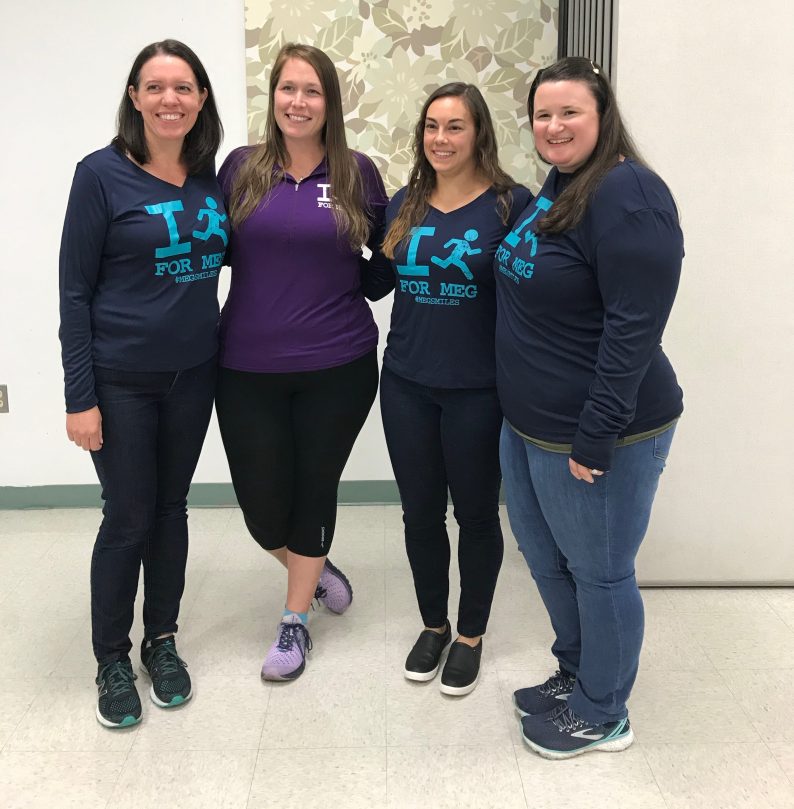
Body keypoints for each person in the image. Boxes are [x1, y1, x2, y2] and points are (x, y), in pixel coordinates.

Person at [495, 57, 684, 757]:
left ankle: (604, 711)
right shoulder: (560, 184)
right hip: (531, 424)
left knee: (600, 571)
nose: (554, 125)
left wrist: (595, 433)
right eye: (542, 114)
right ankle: (578, 671)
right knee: (546, 558)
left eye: (570, 111)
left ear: (602, 115)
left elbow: (635, 328)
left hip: (600, 429)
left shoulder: (630, 194)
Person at [58, 40, 227, 727]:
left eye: (183, 87)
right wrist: (80, 397)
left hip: (194, 374)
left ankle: (162, 639)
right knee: (128, 515)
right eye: (154, 87)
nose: (169, 99)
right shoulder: (99, 175)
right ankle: (110, 658)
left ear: (201, 99)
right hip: (120, 378)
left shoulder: (210, 178)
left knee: (170, 508)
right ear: (134, 97)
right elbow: (74, 292)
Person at [214, 43, 388, 681]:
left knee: (314, 489)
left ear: (329, 102)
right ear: (273, 97)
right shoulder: (241, 169)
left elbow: (386, 256)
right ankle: (312, 568)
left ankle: (294, 623)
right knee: (262, 508)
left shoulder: (356, 173)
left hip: (337, 364)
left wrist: (344, 287)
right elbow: (214, 247)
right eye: (288, 88)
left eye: (312, 90)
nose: (298, 101)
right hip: (245, 365)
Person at [375, 83, 531, 696]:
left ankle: (470, 635)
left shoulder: (511, 205)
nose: (440, 139)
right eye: (431, 127)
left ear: (478, 133)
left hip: (478, 390)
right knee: (419, 514)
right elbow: (374, 280)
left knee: (475, 515)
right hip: (406, 384)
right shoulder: (404, 204)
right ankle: (434, 625)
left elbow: (538, 289)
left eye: (455, 126)